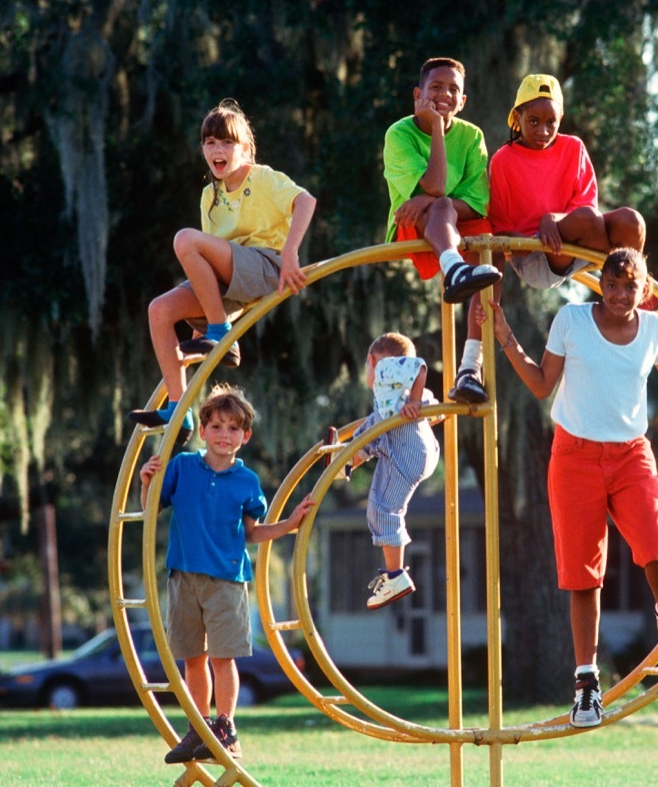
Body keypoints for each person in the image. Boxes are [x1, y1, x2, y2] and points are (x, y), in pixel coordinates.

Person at [479, 248, 658, 729]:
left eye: (629, 286)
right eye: (611, 284)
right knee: (583, 574)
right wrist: (506, 337)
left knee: (656, 547)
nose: (618, 294)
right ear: (600, 285)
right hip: (574, 457)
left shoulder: (655, 330)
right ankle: (587, 685)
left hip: (631, 454)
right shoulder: (571, 320)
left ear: (644, 289)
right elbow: (543, 384)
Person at [139, 383, 316, 764]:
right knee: (192, 658)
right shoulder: (183, 467)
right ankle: (198, 727)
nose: (224, 434)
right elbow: (151, 510)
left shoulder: (246, 481)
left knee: (222, 657)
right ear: (202, 431)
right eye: (216, 426)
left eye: (233, 428)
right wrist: (147, 482)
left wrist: (289, 523)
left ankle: (225, 725)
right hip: (183, 576)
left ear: (245, 436)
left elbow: (254, 533)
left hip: (227, 579)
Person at [129, 99, 317, 440]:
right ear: (202, 149)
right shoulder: (209, 197)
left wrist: (290, 252)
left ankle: (221, 333)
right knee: (159, 310)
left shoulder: (262, 178)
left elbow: (306, 200)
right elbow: (207, 266)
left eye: (227, 142)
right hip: (232, 277)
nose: (218, 149)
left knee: (185, 239)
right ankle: (179, 409)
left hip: (266, 264)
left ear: (244, 148)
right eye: (210, 142)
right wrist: (199, 335)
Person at [383, 57, 501, 405]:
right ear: (418, 94)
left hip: (452, 227)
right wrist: (436, 127)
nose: (445, 94)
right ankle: (454, 269)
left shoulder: (472, 136)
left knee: (491, 247)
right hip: (414, 230)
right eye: (436, 87)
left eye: (453, 89)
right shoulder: (399, 133)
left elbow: (478, 203)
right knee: (440, 204)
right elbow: (435, 184)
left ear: (463, 101)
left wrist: (434, 201)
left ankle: (469, 368)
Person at [489, 74, 645, 289]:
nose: (543, 131)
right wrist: (534, 236)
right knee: (587, 218)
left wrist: (553, 219)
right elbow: (499, 228)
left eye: (551, 122)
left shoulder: (573, 147)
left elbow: (586, 205)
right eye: (533, 121)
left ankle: (635, 285)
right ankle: (619, 275)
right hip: (537, 256)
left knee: (632, 221)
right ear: (517, 117)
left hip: (582, 242)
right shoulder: (502, 160)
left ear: (560, 118)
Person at [329, 332, 441, 609]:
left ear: (371, 360)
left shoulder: (384, 370)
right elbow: (436, 407)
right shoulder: (391, 393)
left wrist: (415, 401)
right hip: (416, 449)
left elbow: (420, 366)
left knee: (383, 509)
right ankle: (346, 459)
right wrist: (420, 403)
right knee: (375, 426)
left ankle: (396, 576)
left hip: (409, 452)